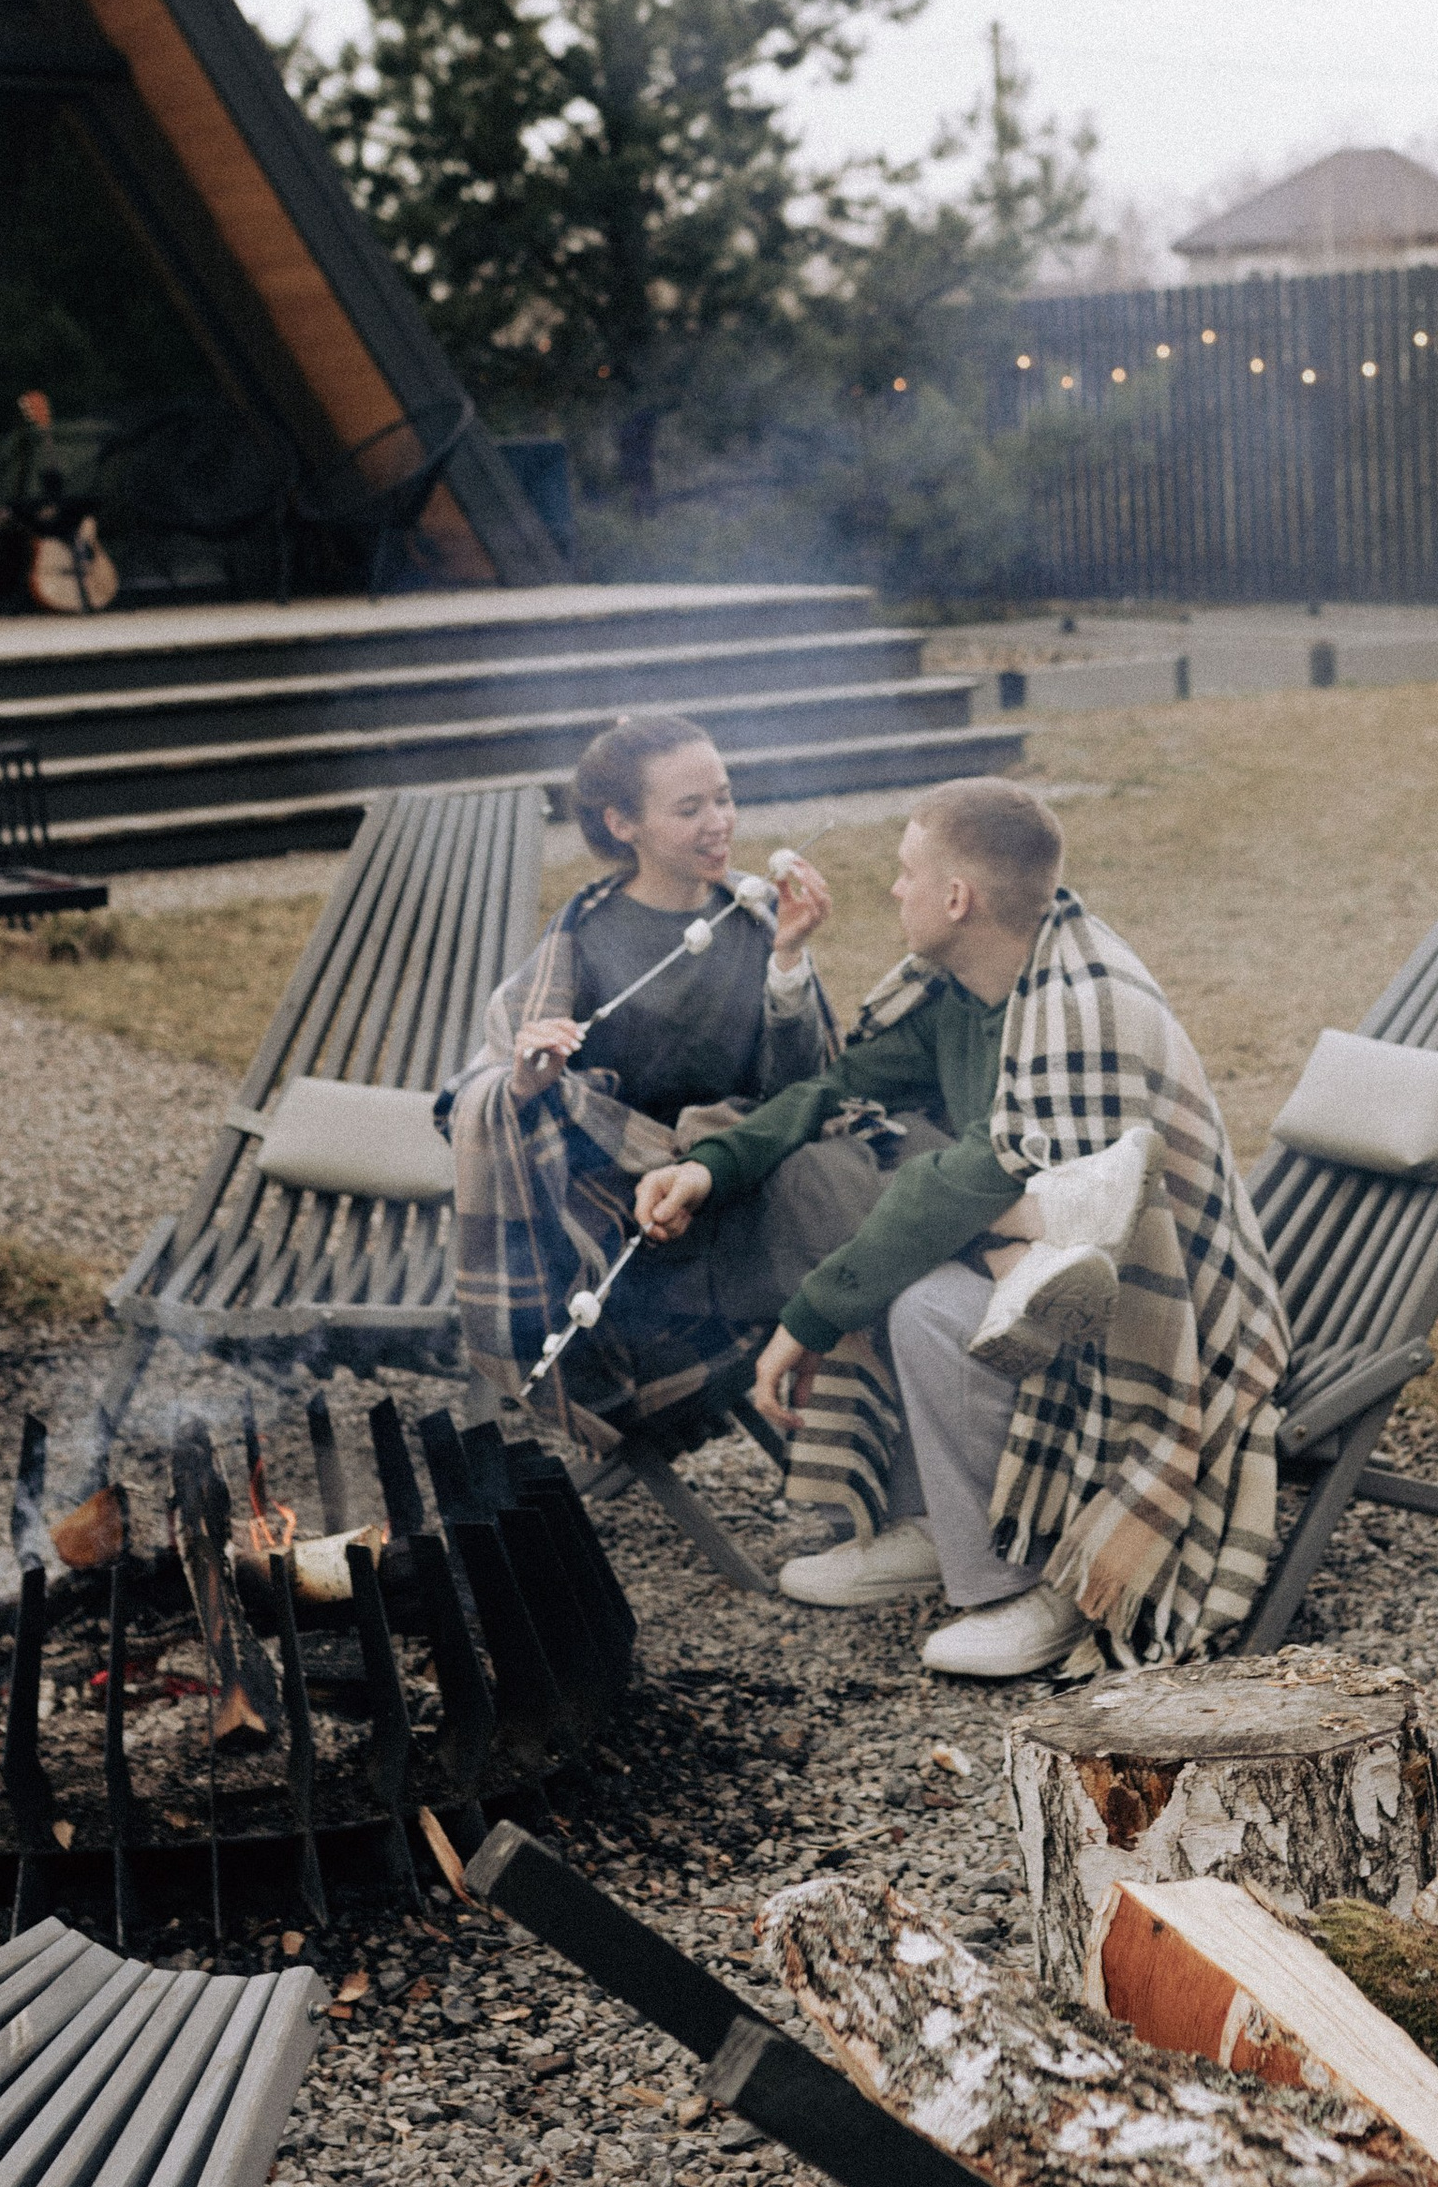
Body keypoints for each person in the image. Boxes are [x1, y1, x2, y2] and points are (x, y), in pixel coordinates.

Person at [631, 776, 1290, 1680]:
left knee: (931, 1306)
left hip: (1161, 1314)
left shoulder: (1078, 1008)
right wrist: (712, 1166)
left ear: (956, 898)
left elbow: (965, 1179)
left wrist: (810, 1316)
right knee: (875, 1237)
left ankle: (1036, 1582)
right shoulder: (969, 988)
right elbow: (840, 1087)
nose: (892, 890)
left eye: (907, 873)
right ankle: (938, 1526)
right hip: (1054, 1256)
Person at [443, 709, 886, 1448]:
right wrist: (526, 1082)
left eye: (724, 796)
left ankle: (876, 1487)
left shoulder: (752, 916)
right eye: (690, 808)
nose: (720, 822)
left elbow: (805, 1095)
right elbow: (476, 1106)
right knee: (862, 1234)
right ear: (623, 823)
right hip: (648, 1246)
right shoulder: (581, 945)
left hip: (750, 1185)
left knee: (859, 1199)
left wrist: (788, 963)